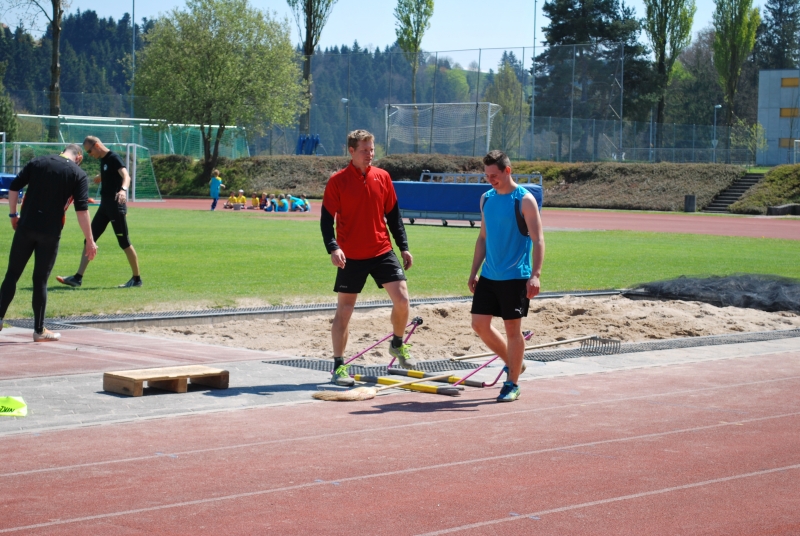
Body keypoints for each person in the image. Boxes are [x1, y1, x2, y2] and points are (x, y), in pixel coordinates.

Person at [321, 129, 416, 386]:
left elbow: (394, 216)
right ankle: (339, 366)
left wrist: (403, 247)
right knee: (345, 310)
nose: (370, 154)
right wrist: (333, 247)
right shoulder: (338, 181)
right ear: (351, 151)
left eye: (372, 149)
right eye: (364, 150)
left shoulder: (383, 177)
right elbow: (326, 220)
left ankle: (397, 343)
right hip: (350, 255)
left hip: (381, 250)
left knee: (403, 299)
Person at [0, 144, 98, 341]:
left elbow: (14, 187)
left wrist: (13, 214)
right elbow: (82, 210)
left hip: (26, 226)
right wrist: (90, 240)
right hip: (50, 233)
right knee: (40, 280)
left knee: (12, 274)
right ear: (78, 157)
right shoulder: (78, 174)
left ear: (64, 150)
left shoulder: (38, 162)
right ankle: (39, 330)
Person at [468, 150, 544, 402]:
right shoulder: (486, 199)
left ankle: (512, 383)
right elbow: (482, 237)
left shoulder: (524, 200)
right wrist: (474, 271)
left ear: (507, 171)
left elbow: (538, 240)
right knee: (479, 324)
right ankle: (514, 363)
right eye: (487, 175)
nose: (490, 180)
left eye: (494, 175)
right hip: (489, 275)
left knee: (513, 330)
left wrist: (535, 275)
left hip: (515, 276)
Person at [56, 136, 141, 289]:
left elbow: (126, 176)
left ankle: (136, 279)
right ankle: (77, 278)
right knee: (89, 240)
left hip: (116, 207)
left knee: (124, 242)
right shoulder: (104, 160)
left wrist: (123, 190)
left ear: (96, 145)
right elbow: (111, 173)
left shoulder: (113, 157)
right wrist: (100, 177)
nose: (89, 155)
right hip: (105, 207)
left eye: (89, 151)